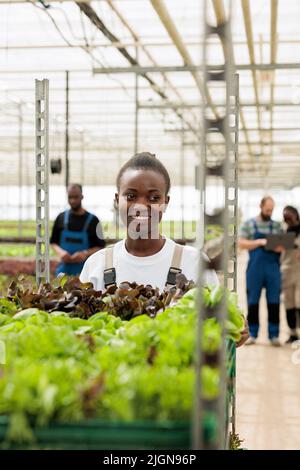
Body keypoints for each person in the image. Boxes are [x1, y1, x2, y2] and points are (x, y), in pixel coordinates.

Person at [80, 152, 249, 347]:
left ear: (165, 202)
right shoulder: (97, 264)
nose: (141, 206)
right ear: (118, 200)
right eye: (131, 196)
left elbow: (215, 326)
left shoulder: (193, 262)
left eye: (153, 197)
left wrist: (233, 329)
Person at [238, 196, 283, 346]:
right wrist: (258, 242)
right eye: (267, 209)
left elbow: (283, 245)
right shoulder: (249, 224)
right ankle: (253, 334)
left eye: (272, 210)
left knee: (274, 301)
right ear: (261, 206)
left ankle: (274, 334)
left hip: (273, 269)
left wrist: (276, 245)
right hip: (255, 269)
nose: (270, 212)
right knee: (253, 301)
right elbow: (241, 243)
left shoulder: (277, 226)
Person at [50, 184, 105, 276]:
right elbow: (53, 242)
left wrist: (84, 253)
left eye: (76, 197)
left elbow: (100, 246)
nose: (73, 200)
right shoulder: (61, 218)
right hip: (63, 271)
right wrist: (61, 253)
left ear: (82, 197)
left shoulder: (93, 220)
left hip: (86, 272)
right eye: (70, 197)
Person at [281, 205, 300, 343]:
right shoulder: (283, 231)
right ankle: (292, 333)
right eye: (285, 217)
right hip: (287, 271)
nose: (287, 219)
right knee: (289, 303)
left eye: (289, 216)